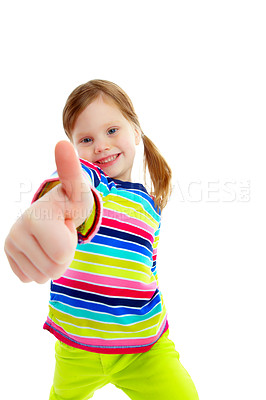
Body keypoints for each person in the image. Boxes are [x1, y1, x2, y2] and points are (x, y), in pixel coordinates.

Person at [4, 79, 199, 399]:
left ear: (136, 131)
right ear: (74, 148)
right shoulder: (91, 185)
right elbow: (74, 189)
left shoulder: (151, 205)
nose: (101, 146)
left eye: (112, 131)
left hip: (142, 347)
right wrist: (60, 203)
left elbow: (147, 265)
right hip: (75, 348)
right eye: (86, 139)